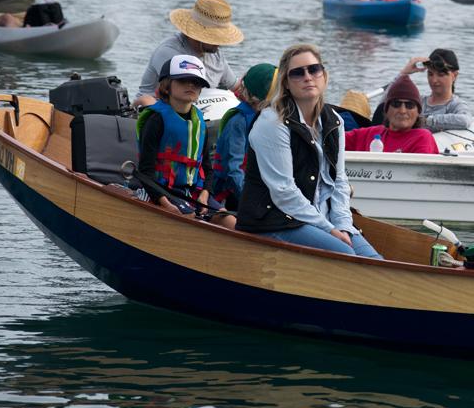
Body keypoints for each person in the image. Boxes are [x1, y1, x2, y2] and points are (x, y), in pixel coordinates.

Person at [235, 43, 382, 258]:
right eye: (297, 73)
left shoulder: (335, 121)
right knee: (347, 258)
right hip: (275, 221)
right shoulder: (273, 123)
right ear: (285, 82)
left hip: (321, 218)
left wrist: (341, 225)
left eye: (314, 69)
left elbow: (339, 181)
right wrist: (329, 230)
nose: (308, 77)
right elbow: (284, 192)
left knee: (375, 261)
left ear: (324, 75)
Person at [136, 55, 236, 230]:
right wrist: (166, 204)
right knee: (189, 218)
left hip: (193, 193)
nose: (191, 85)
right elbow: (145, 172)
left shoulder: (200, 121)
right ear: (167, 85)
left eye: (196, 83)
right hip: (159, 191)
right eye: (183, 80)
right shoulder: (156, 119)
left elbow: (207, 167)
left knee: (231, 222)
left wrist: (205, 195)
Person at [134, 0, 244, 108]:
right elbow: (180, 95)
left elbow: (236, 86)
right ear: (199, 35)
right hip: (155, 112)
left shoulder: (216, 54)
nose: (220, 42)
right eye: (215, 38)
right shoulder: (169, 52)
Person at [212, 62, 278, 209]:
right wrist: (252, 203)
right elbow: (233, 170)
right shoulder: (238, 122)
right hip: (229, 194)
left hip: (256, 188)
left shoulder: (267, 118)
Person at [375, 49, 472, 133]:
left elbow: (465, 120)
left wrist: (426, 120)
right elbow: (384, 106)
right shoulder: (417, 101)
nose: (434, 80)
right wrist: (403, 73)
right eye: (430, 74)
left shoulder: (456, 105)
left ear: (454, 75)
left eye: (441, 75)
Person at [346, 75, 439, 154]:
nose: (402, 110)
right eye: (396, 104)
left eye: (409, 105)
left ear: (418, 112)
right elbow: (334, 139)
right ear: (386, 110)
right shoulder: (369, 134)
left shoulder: (422, 137)